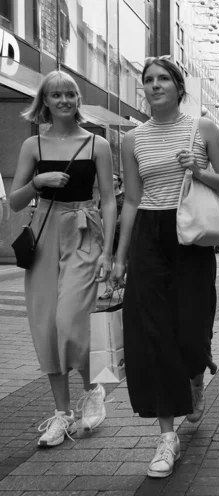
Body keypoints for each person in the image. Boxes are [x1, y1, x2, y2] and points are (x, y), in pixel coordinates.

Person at [111, 56, 219, 478]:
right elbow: (130, 199)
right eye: (148, 80)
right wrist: (119, 257)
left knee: (191, 328)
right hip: (149, 231)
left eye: (163, 78)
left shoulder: (202, 128)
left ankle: (196, 375)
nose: (154, 85)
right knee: (151, 332)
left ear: (178, 86)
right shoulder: (131, 140)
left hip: (190, 236)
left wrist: (198, 171)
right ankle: (167, 437)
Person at [10, 70, 116, 447]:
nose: (65, 101)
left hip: (83, 231)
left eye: (70, 94)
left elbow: (108, 199)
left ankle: (93, 392)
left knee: (70, 319)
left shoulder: (96, 144)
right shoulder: (33, 145)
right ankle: (62, 413)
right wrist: (37, 183)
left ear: (77, 100)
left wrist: (109, 252)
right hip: (43, 232)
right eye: (57, 95)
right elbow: (14, 201)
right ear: (45, 101)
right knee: (46, 327)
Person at [99, 173, 125, 300]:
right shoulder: (104, 197)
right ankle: (108, 289)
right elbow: (100, 214)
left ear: (119, 182)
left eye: (114, 179)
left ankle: (122, 284)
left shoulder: (124, 196)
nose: (111, 181)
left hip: (122, 232)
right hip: (109, 232)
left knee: (123, 260)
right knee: (107, 260)